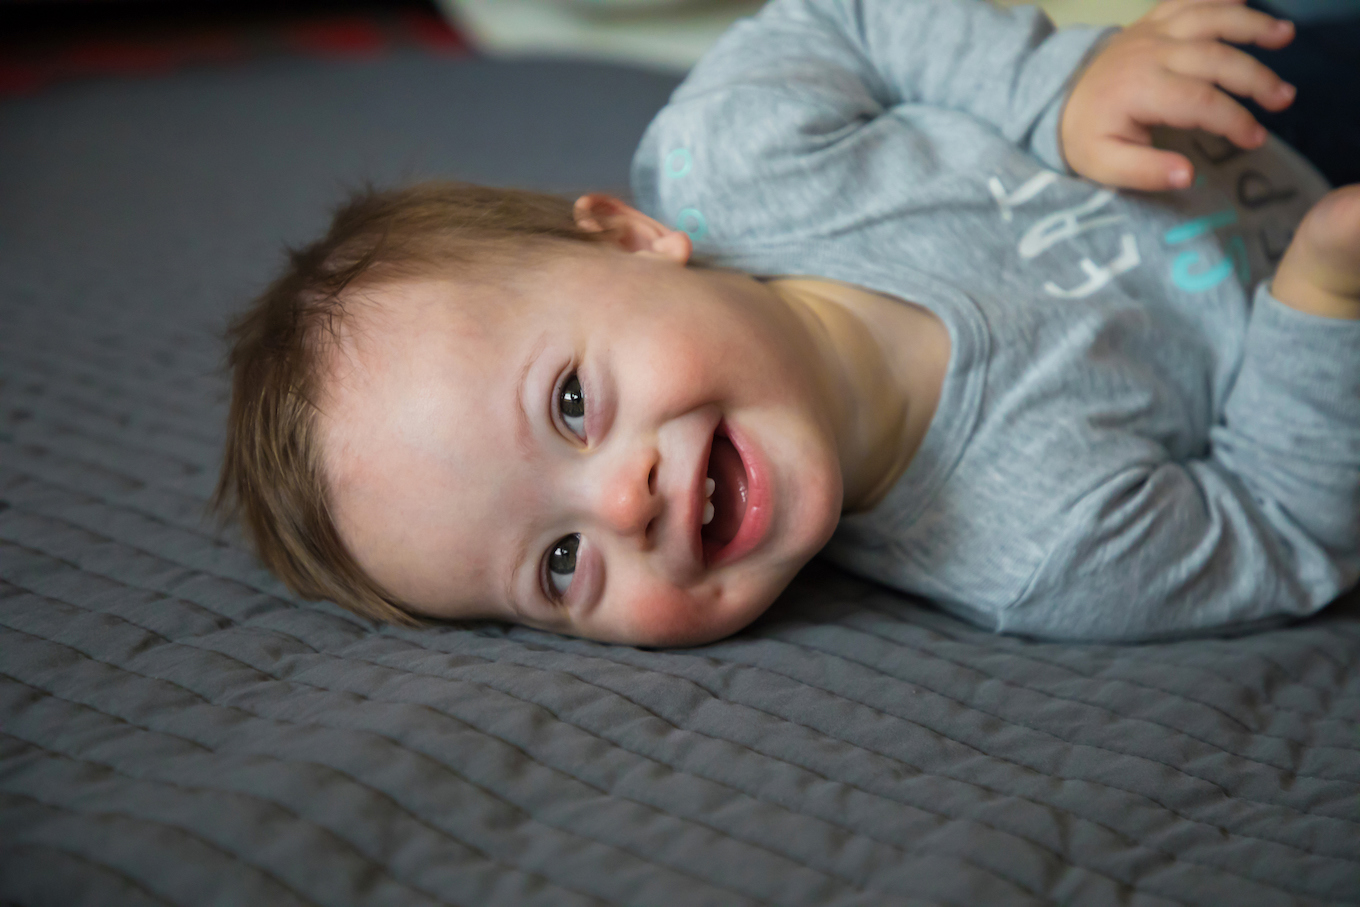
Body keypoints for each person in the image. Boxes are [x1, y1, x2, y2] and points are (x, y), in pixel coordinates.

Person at [215, 0, 1360, 646]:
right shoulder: (1040, 549)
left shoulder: (732, 157)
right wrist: (1324, 297)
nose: (621, 502)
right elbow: (1275, 527)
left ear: (629, 236)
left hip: (1256, 87)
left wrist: (1053, 91)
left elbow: (850, 15)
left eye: (570, 403)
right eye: (559, 564)